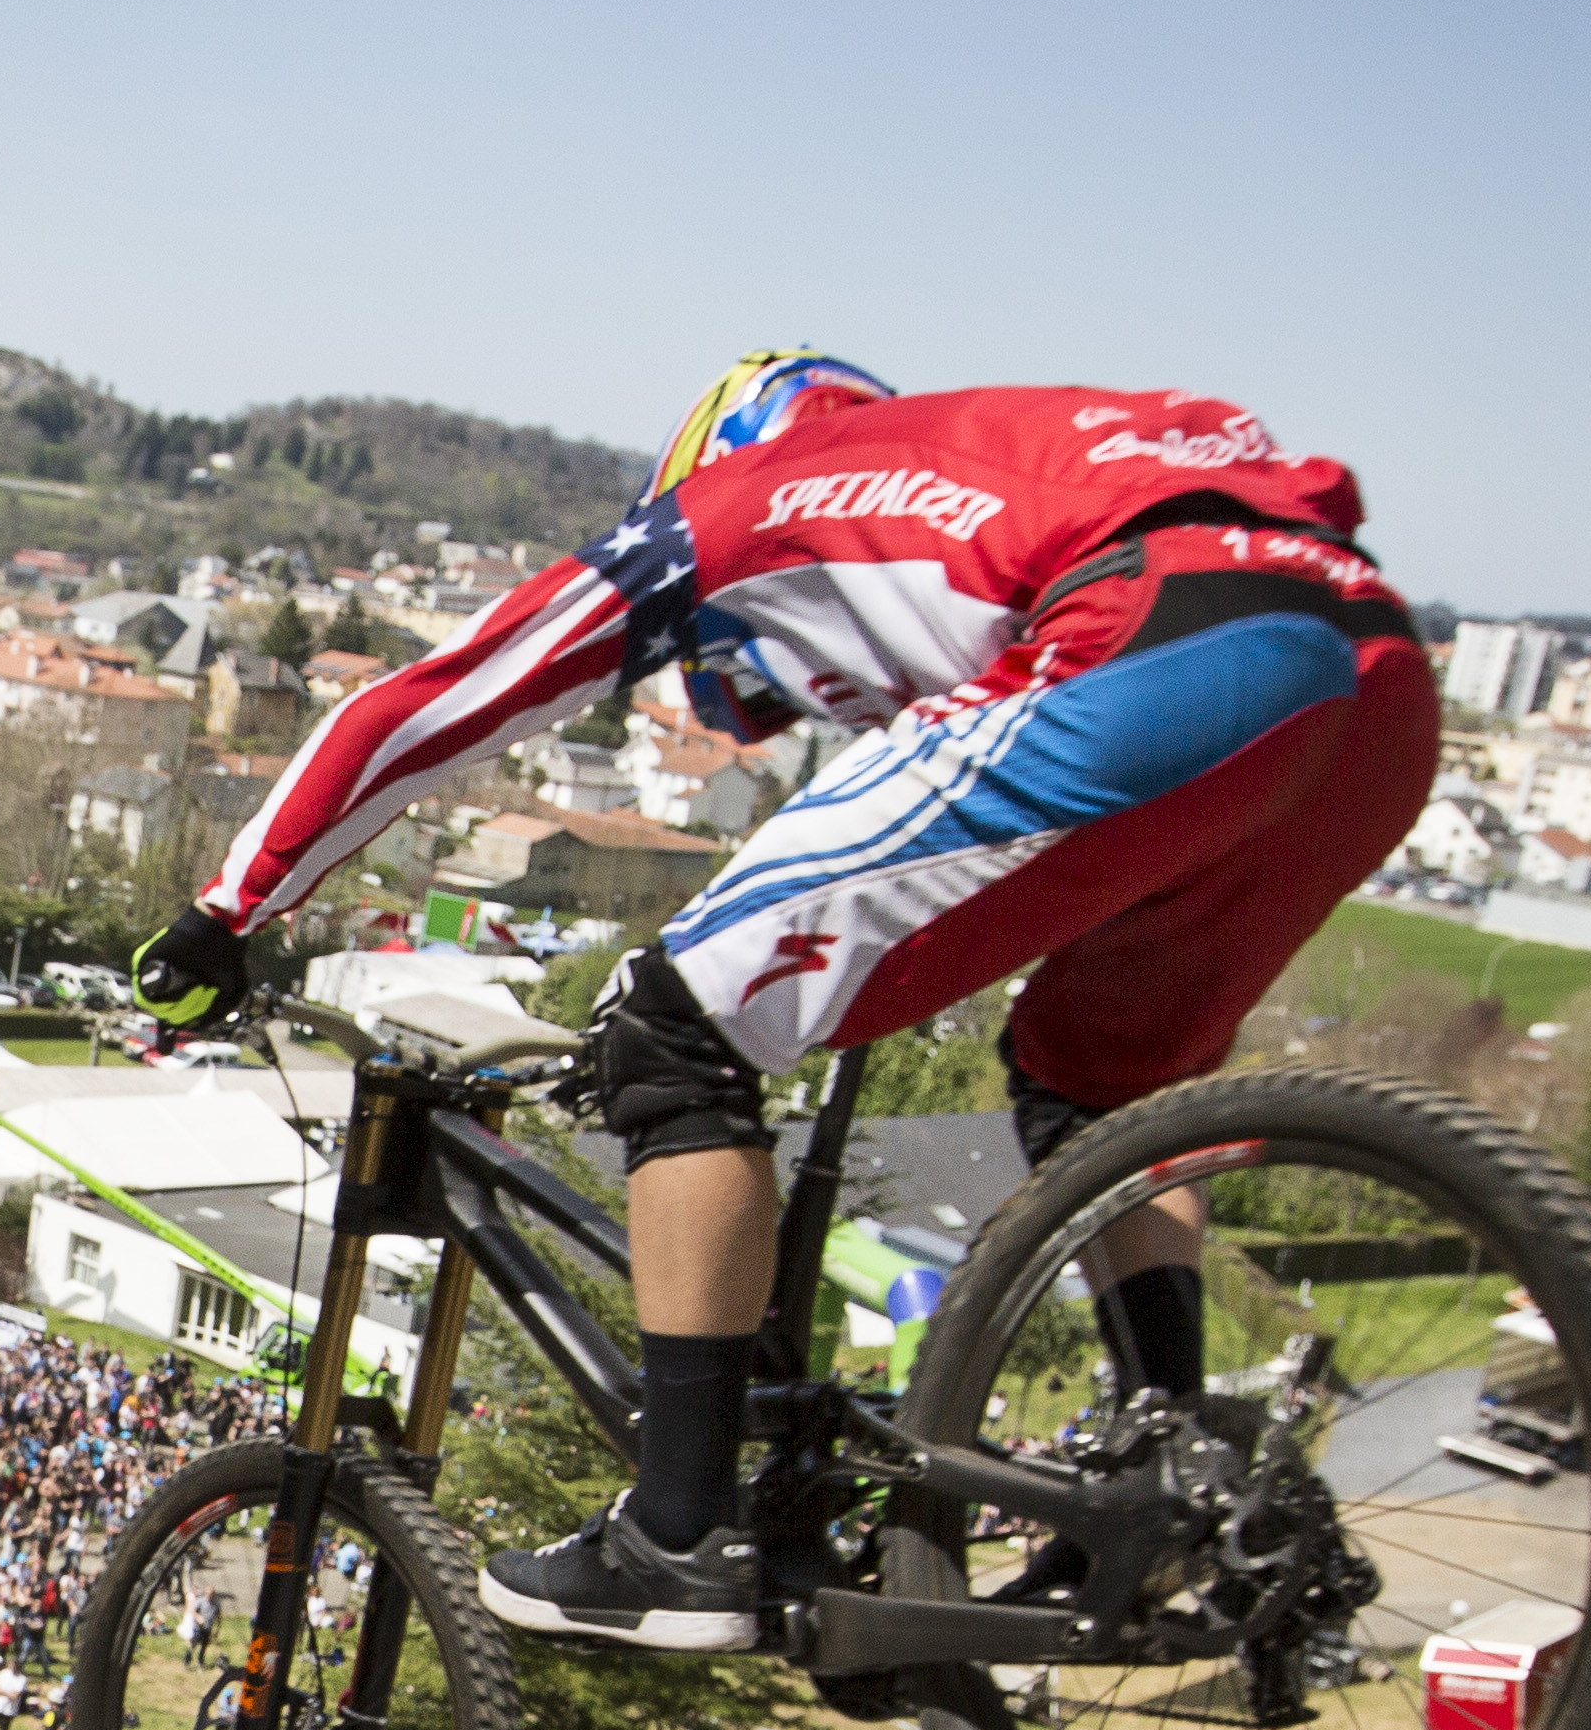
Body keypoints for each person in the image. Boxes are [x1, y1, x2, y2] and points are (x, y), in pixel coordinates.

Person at [134, 354, 1430, 1652]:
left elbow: (434, 699)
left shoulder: (736, 506)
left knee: (671, 1023)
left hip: (1166, 637)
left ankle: (680, 1536)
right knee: (1094, 1089)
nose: (750, 689)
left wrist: (227, 910)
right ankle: (1183, 1479)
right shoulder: (968, 475)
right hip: (1372, 675)